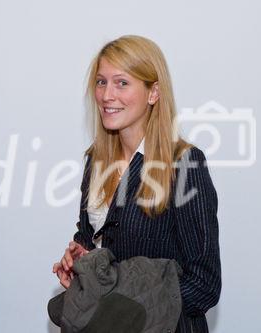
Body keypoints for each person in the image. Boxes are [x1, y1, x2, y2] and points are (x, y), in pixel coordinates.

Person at [52, 35, 221, 332]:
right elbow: (95, 242)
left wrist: (126, 307)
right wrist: (83, 262)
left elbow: (204, 285)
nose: (106, 95)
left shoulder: (184, 164)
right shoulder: (96, 161)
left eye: (122, 83)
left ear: (153, 93)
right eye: (101, 82)